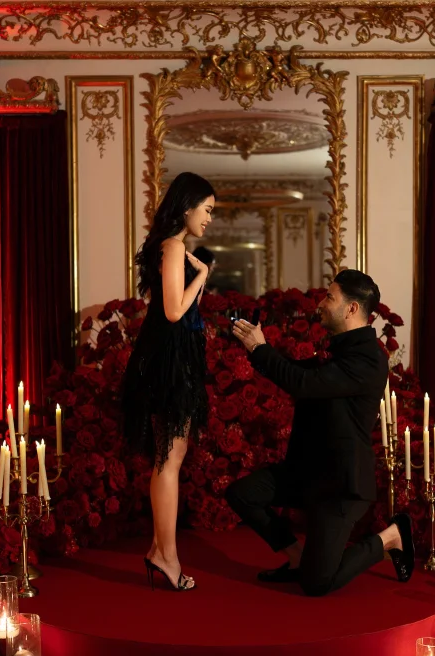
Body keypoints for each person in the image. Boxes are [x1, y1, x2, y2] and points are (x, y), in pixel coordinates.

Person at [227, 269, 415, 597]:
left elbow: (306, 384)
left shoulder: (369, 359)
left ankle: (391, 537)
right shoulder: (342, 350)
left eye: (330, 297)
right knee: (242, 494)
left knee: (317, 584)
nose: (322, 303)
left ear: (353, 308)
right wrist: (259, 348)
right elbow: (301, 374)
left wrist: (260, 350)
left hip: (341, 484)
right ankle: (297, 558)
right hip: (309, 472)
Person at [121, 172, 215, 591]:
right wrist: (203, 275)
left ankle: (162, 551)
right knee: (169, 460)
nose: (210, 219)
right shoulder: (174, 246)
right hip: (169, 365)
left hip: (172, 361)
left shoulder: (172, 247)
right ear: (187, 206)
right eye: (207, 210)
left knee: (169, 459)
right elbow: (176, 312)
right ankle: (166, 555)